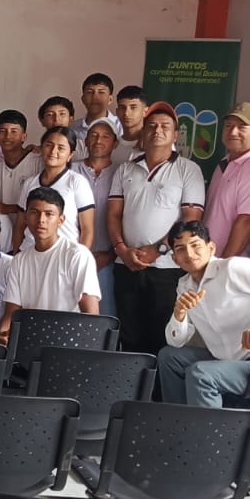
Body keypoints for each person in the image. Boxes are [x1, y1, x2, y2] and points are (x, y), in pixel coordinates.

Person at [157, 220, 250, 411]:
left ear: (211, 248)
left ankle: (207, 430)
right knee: (168, 357)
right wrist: (179, 315)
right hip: (228, 361)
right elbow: (175, 341)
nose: (190, 254)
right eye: (181, 249)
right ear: (175, 259)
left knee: (201, 374)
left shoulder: (232, 268)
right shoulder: (184, 286)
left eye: (195, 245)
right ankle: (177, 421)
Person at [106, 102, 206, 355]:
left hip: (167, 269)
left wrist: (158, 249)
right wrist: (122, 250)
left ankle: (156, 382)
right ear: (143, 132)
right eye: (151, 126)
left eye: (165, 127)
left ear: (175, 135)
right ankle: (131, 380)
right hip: (126, 265)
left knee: (160, 335)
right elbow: (114, 214)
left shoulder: (188, 170)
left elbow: (190, 220)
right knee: (128, 335)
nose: (157, 131)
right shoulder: (126, 168)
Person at [0, 188, 100, 345]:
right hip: (30, 342)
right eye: (34, 212)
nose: (41, 220)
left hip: (68, 343)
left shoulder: (77, 255)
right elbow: (12, 310)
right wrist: (1, 335)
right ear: (25, 217)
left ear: (61, 220)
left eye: (49, 214)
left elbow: (91, 316)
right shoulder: (20, 260)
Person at [207, 102, 250, 259]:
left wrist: (222, 265)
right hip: (209, 260)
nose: (233, 132)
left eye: (242, 127)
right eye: (229, 125)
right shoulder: (225, 162)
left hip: (229, 265)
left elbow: (247, 222)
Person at [18, 127, 96, 251]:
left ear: (70, 155)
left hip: (65, 255)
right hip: (30, 252)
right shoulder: (30, 183)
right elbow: (20, 225)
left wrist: (80, 258)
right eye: (49, 145)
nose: (53, 151)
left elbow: (87, 230)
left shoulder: (77, 182)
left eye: (61, 148)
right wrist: (17, 255)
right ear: (41, 148)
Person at [73, 118, 119, 316]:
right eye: (93, 135)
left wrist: (110, 254)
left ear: (115, 143)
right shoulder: (70, 170)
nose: (99, 140)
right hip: (72, 257)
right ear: (85, 141)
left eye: (105, 136)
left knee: (104, 316)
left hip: (106, 259)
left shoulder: (122, 172)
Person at [0, 109, 41, 252]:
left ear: (24, 136)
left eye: (14, 131)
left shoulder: (39, 163)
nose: (8, 136)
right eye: (3, 131)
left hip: (36, 240)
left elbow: (46, 204)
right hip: (7, 244)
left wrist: (8, 208)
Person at [71, 72, 123, 145]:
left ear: (110, 99)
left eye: (101, 92)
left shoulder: (121, 127)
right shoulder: (73, 128)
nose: (95, 97)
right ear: (83, 99)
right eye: (90, 92)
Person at [112, 85, 148, 166]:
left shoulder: (154, 143)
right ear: (117, 111)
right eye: (122, 108)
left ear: (145, 112)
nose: (126, 113)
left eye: (133, 107)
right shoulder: (112, 146)